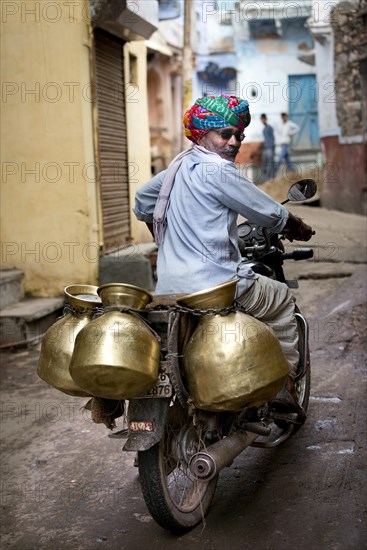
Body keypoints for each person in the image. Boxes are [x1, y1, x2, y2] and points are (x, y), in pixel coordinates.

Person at [133, 94, 313, 416]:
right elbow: (268, 213)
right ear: (202, 134)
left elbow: (143, 202)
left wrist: (164, 237)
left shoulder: (176, 168)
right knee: (282, 298)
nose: (233, 142)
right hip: (215, 287)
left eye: (239, 136)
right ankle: (282, 388)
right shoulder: (218, 171)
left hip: (171, 288)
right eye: (225, 134)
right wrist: (295, 225)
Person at [260, 113, 275, 181]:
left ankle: (270, 178)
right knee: (265, 164)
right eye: (262, 120)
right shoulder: (264, 129)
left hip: (269, 148)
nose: (263, 121)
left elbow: (272, 138)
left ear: (266, 119)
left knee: (269, 164)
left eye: (264, 119)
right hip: (265, 148)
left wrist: (272, 148)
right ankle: (266, 179)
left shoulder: (270, 128)